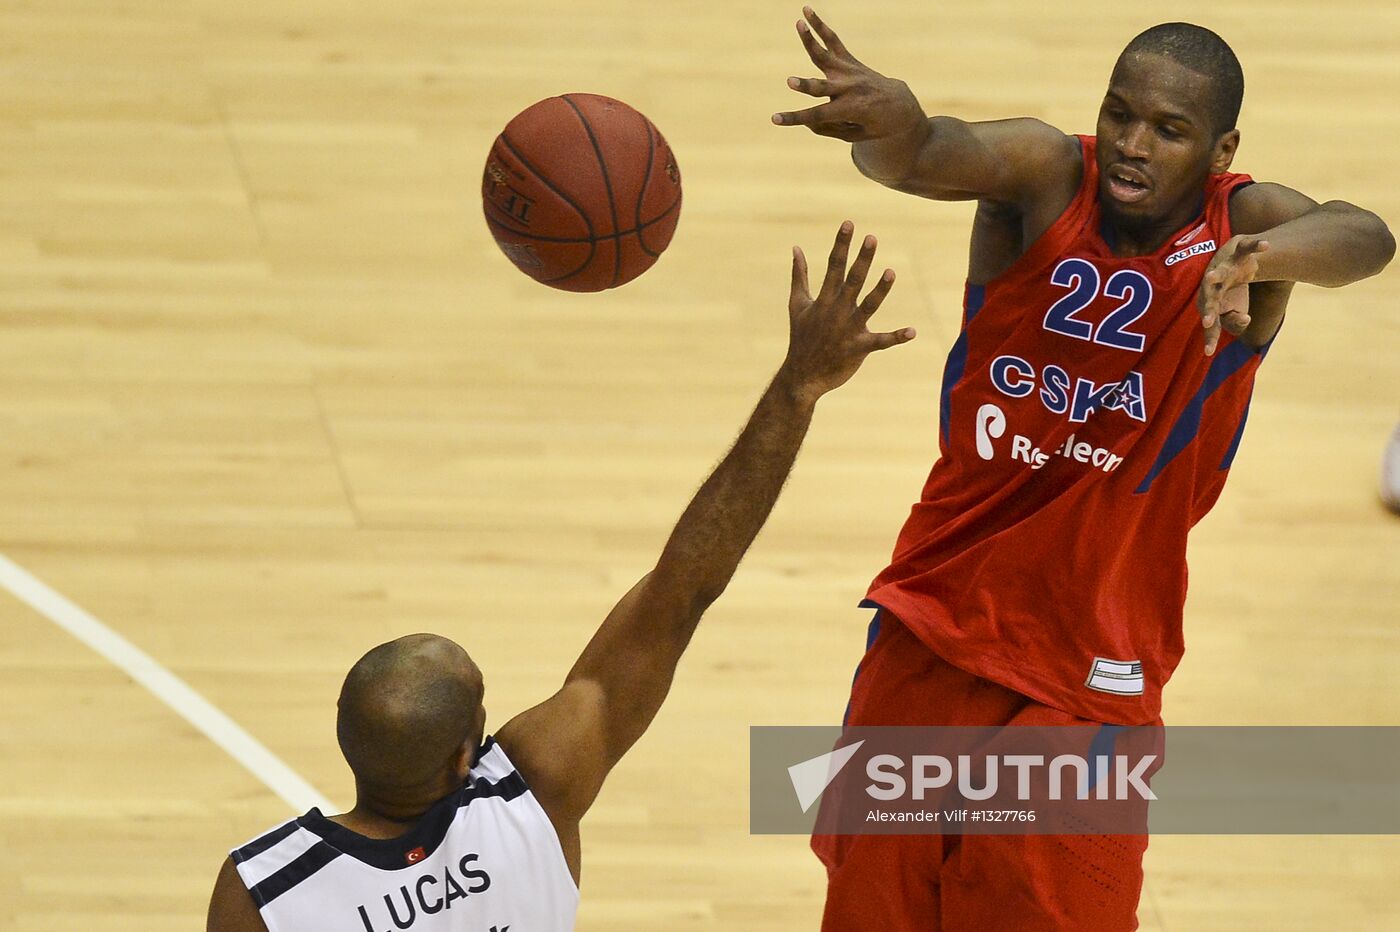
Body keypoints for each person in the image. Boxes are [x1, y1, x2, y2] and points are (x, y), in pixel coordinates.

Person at [773, 7, 1394, 930]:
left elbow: (1367, 236)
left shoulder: (1244, 229)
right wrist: (893, 126)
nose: (1132, 146)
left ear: (1221, 151)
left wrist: (1259, 259)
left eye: (1169, 131)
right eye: (1119, 115)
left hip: (1092, 665)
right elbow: (924, 154)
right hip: (932, 616)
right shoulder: (1045, 174)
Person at [204, 223, 915, 932]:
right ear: (463, 758)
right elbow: (682, 590)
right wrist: (796, 389)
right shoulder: (536, 791)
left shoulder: (264, 893)